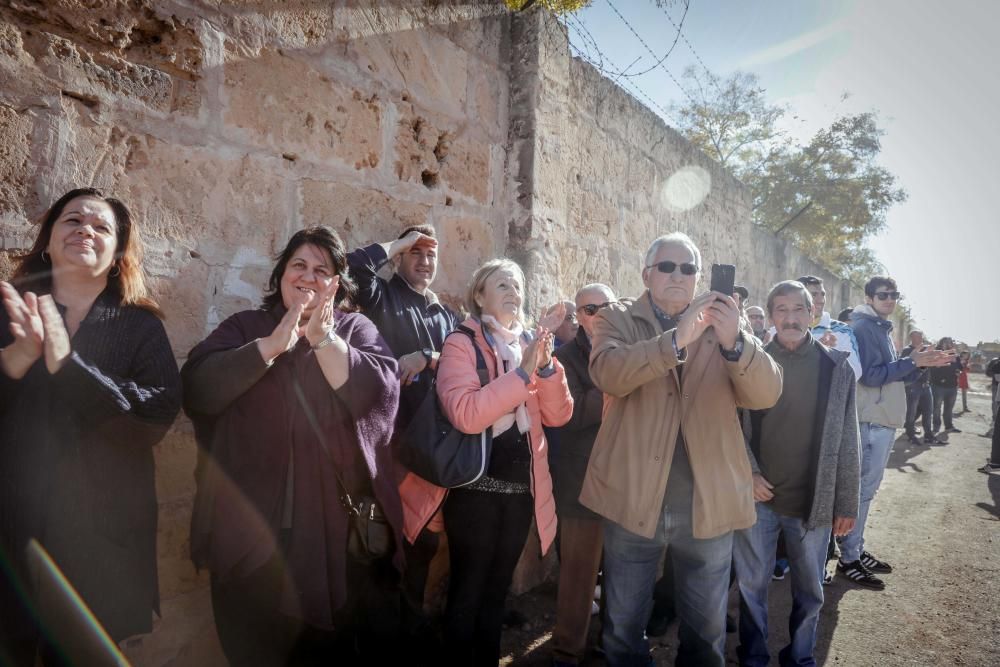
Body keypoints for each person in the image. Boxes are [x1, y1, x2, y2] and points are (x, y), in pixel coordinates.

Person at [182, 226, 403, 665]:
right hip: (248, 534)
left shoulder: (356, 328)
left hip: (331, 543)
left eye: (322, 270)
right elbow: (198, 389)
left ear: (336, 283)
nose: (307, 276)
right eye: (298, 265)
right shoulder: (247, 326)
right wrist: (269, 347)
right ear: (281, 275)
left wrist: (323, 341)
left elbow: (381, 397)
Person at [582, 232, 782, 666]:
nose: (678, 275)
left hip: (706, 503)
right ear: (646, 274)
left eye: (688, 268)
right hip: (633, 497)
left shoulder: (727, 322)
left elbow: (766, 393)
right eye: (667, 266)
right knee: (622, 629)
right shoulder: (616, 317)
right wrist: (675, 342)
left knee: (706, 634)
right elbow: (609, 375)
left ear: (698, 277)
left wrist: (735, 344)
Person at [0, 188, 181, 663]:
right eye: (73, 220)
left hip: (102, 542)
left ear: (119, 253)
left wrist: (69, 366)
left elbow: (153, 420)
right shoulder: (9, 310)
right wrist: (15, 361)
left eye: (102, 227)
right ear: (48, 240)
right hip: (11, 530)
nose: (86, 230)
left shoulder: (141, 327)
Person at [399, 258, 573, 666]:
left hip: (519, 494)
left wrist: (545, 366)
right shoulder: (461, 342)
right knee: (467, 591)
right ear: (480, 296)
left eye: (517, 284)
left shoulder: (532, 343)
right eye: (501, 284)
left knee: (497, 592)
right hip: (473, 492)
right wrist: (524, 371)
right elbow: (467, 412)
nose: (513, 291)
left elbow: (559, 414)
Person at [734, 280, 860, 667]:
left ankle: (800, 657)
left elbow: (848, 441)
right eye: (781, 310)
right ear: (770, 316)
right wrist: (749, 475)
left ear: (812, 314)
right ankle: (753, 657)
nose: (790, 318)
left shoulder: (836, 368)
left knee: (810, 590)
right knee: (751, 587)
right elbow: (730, 428)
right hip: (758, 500)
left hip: (813, 501)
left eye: (798, 310)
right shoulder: (748, 364)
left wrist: (846, 502)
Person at [348, 226, 458, 650]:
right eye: (416, 252)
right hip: (384, 449)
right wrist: (395, 244)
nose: (425, 261)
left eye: (432, 254)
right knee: (379, 553)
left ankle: (407, 643)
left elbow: (465, 362)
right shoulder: (382, 296)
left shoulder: (445, 315)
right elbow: (353, 266)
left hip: (428, 455)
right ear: (399, 258)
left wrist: (428, 357)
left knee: (421, 552)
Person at [840, 277, 953, 589]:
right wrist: (912, 361)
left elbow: (890, 372)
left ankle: (855, 549)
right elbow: (872, 377)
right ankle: (849, 557)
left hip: (881, 418)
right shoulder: (864, 327)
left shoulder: (880, 326)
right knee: (861, 492)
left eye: (894, 295)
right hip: (871, 420)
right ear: (869, 297)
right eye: (883, 295)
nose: (889, 299)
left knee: (867, 491)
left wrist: (920, 363)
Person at [550, 284, 616, 666]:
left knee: (623, 574)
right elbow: (570, 414)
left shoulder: (626, 351)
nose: (599, 313)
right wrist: (615, 389)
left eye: (606, 306)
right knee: (578, 574)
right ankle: (566, 651)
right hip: (580, 480)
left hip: (624, 477)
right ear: (579, 315)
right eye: (590, 308)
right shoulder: (562, 358)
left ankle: (614, 641)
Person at [795, 275, 862, 380]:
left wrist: (830, 355)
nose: (821, 300)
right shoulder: (781, 331)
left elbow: (855, 372)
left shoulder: (842, 331)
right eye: (814, 295)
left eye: (823, 294)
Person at [901, 330, 934, 445]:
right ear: (911, 338)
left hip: (926, 385)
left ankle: (929, 436)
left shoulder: (925, 349)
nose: (919, 338)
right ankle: (911, 435)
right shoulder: (907, 350)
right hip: (913, 385)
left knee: (928, 411)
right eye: (916, 336)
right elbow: (905, 367)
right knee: (911, 411)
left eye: (920, 336)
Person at [929, 337, 962, 438]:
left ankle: (949, 426)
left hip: (952, 386)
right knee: (936, 408)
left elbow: (960, 367)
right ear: (941, 343)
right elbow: (931, 368)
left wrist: (958, 370)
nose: (948, 344)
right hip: (938, 386)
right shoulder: (936, 353)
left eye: (950, 342)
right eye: (946, 342)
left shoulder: (954, 355)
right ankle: (936, 427)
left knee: (949, 408)